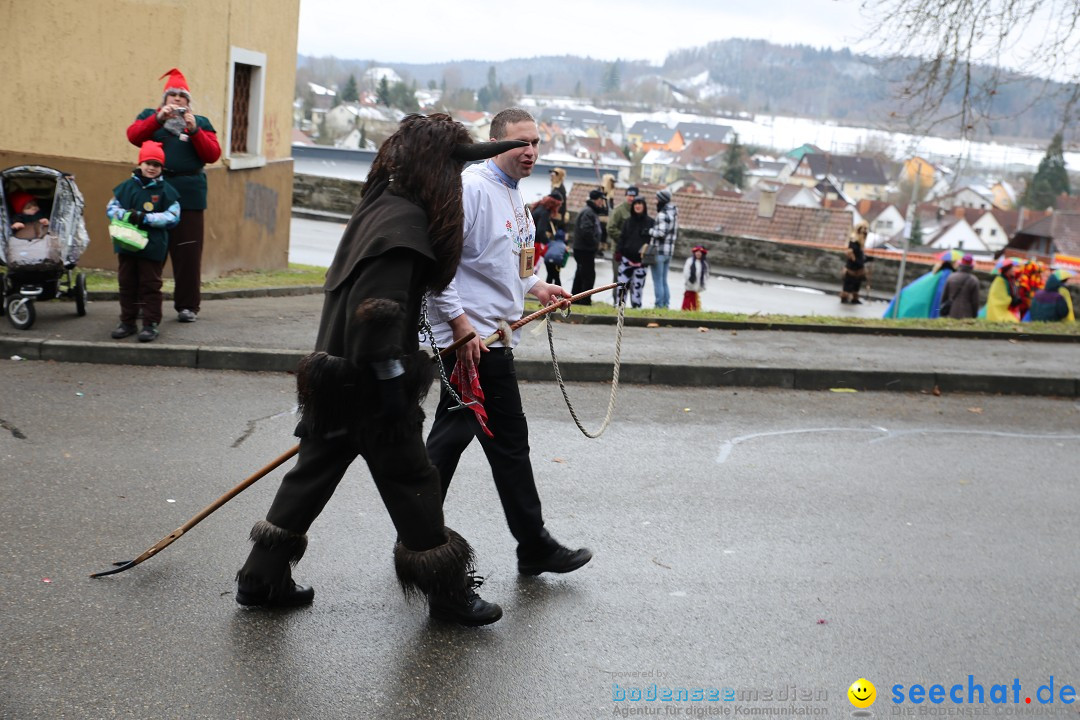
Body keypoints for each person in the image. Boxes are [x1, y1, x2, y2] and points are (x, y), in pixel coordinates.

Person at [235, 114, 523, 626]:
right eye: (453, 172)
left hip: (334, 375)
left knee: (311, 476)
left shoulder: (381, 207)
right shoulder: (406, 227)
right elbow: (378, 311)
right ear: (437, 169)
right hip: (370, 385)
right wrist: (393, 387)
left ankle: (261, 579)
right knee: (414, 482)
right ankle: (449, 594)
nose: (456, 184)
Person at [425, 107, 592, 578]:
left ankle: (421, 537)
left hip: (491, 339)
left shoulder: (514, 196)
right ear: (496, 144)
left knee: (472, 441)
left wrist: (538, 287)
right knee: (487, 443)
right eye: (521, 143)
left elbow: (509, 262)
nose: (531, 152)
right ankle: (524, 544)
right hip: (471, 343)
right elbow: (442, 267)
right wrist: (459, 327)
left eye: (536, 143)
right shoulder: (473, 189)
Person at [126, 68, 221, 324]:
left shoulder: (201, 122)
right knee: (146, 249)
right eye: (173, 95)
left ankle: (188, 306)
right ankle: (143, 304)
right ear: (165, 99)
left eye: (182, 96)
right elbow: (134, 136)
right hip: (153, 192)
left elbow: (212, 154)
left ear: (188, 102)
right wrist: (158, 119)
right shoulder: (150, 117)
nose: (177, 99)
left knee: (188, 252)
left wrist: (195, 131)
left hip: (189, 194)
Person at [105, 141, 181, 343]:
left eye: (156, 164)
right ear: (140, 163)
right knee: (127, 283)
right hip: (127, 244)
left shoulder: (167, 191)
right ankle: (127, 322)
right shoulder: (126, 188)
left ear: (161, 168)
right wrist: (126, 215)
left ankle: (150, 324)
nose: (151, 168)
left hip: (153, 246)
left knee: (150, 285)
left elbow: (173, 217)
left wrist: (146, 218)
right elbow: (111, 209)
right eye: (148, 163)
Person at [615, 197, 652, 308]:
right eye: (635, 204)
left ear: (644, 206)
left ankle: (636, 307)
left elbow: (652, 242)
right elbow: (622, 238)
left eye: (640, 203)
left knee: (638, 287)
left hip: (641, 262)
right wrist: (618, 251)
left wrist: (647, 259)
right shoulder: (628, 222)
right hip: (626, 260)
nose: (637, 206)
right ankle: (619, 307)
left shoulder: (650, 222)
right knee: (622, 286)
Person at [571, 189, 605, 304]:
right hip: (584, 249)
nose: (602, 203)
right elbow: (586, 231)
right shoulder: (589, 212)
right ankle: (585, 300)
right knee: (588, 276)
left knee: (581, 274)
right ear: (595, 200)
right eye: (601, 200)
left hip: (583, 248)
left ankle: (575, 298)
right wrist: (595, 243)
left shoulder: (590, 211)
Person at [649, 189, 678, 309]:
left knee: (657, 280)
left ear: (661, 200)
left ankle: (659, 304)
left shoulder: (662, 215)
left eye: (656, 199)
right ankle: (666, 304)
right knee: (664, 280)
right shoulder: (674, 213)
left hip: (659, 252)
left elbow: (661, 233)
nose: (655, 201)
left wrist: (649, 231)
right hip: (669, 252)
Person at [608, 185, 638, 291]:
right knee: (618, 278)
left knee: (631, 279)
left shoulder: (637, 211)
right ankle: (616, 303)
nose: (631, 198)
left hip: (632, 252)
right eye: (629, 195)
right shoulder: (619, 210)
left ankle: (625, 303)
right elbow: (610, 228)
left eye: (634, 196)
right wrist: (624, 239)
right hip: (619, 250)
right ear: (626, 196)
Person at [940, 254, 980, 319]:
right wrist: (974, 315)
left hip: (951, 312)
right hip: (967, 314)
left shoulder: (951, 277)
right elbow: (975, 301)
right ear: (971, 266)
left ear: (960, 264)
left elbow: (944, 297)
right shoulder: (974, 280)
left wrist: (942, 310)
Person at [841, 222, 869, 304]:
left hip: (859, 267)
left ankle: (854, 298)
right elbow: (851, 254)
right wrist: (858, 261)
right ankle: (845, 297)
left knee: (856, 284)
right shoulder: (853, 241)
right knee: (848, 284)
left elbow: (860, 254)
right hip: (852, 268)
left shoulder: (860, 243)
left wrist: (864, 259)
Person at [682, 245, 709, 311]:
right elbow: (686, 273)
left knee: (695, 303)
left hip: (697, 288)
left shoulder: (704, 264)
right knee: (687, 303)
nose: (698, 253)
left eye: (700, 252)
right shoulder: (690, 261)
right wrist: (688, 283)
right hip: (689, 286)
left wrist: (702, 286)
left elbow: (705, 276)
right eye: (697, 252)